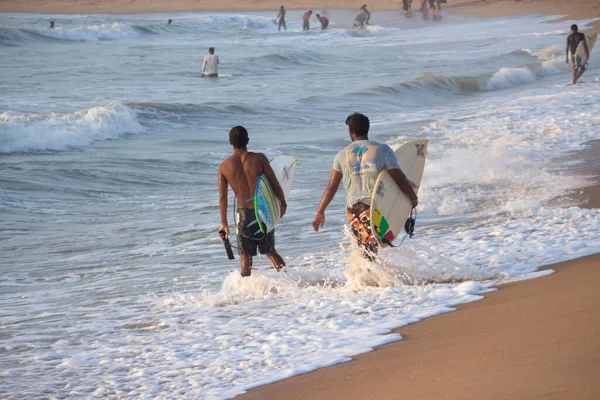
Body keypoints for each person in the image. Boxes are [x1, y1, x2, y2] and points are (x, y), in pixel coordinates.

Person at [312, 113, 418, 258]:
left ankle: (367, 277)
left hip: (353, 207)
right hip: (375, 204)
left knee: (365, 245)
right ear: (368, 129)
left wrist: (320, 211)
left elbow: (332, 186)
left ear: (350, 131)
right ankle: (370, 276)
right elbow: (398, 177)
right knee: (369, 246)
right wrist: (411, 197)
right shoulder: (382, 149)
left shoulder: (341, 155)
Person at [218, 126, 287, 277]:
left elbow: (223, 198)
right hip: (262, 212)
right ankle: (290, 281)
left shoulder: (224, 167)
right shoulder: (260, 158)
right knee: (271, 252)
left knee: (245, 262)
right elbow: (274, 183)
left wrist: (224, 223)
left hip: (243, 217)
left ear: (230, 142)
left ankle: (246, 296)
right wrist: (282, 202)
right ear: (248, 140)